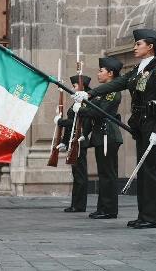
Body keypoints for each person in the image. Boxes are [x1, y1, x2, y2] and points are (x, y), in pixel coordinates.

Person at [73, 29, 156, 229]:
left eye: (138, 44)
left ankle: (153, 217)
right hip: (140, 124)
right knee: (143, 170)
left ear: (150, 46)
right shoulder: (137, 69)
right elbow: (117, 83)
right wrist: (90, 94)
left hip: (153, 124)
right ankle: (144, 215)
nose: (135, 47)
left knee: (153, 170)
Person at [79, 57, 124, 220]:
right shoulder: (103, 92)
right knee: (103, 173)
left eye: (101, 71)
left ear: (110, 73)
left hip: (108, 135)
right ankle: (103, 208)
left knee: (108, 174)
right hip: (101, 135)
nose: (98, 74)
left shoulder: (112, 92)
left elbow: (100, 112)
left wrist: (81, 109)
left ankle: (109, 209)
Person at [56, 75, 92, 213]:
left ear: (82, 87)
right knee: (76, 173)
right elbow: (71, 126)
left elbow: (76, 124)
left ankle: (79, 205)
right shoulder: (76, 102)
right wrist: (64, 142)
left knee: (80, 174)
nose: (73, 88)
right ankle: (75, 204)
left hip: (79, 141)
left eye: (75, 86)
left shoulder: (85, 103)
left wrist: (60, 122)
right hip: (73, 140)